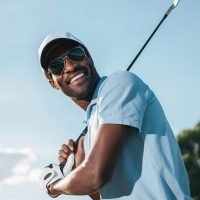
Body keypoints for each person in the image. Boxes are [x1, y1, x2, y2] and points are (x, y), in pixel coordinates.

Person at [38, 32, 191, 200]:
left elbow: (94, 176)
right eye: (56, 66)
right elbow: (101, 194)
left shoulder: (120, 83)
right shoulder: (89, 134)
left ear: (89, 58)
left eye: (76, 54)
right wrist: (78, 168)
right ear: (53, 83)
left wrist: (53, 186)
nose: (69, 67)